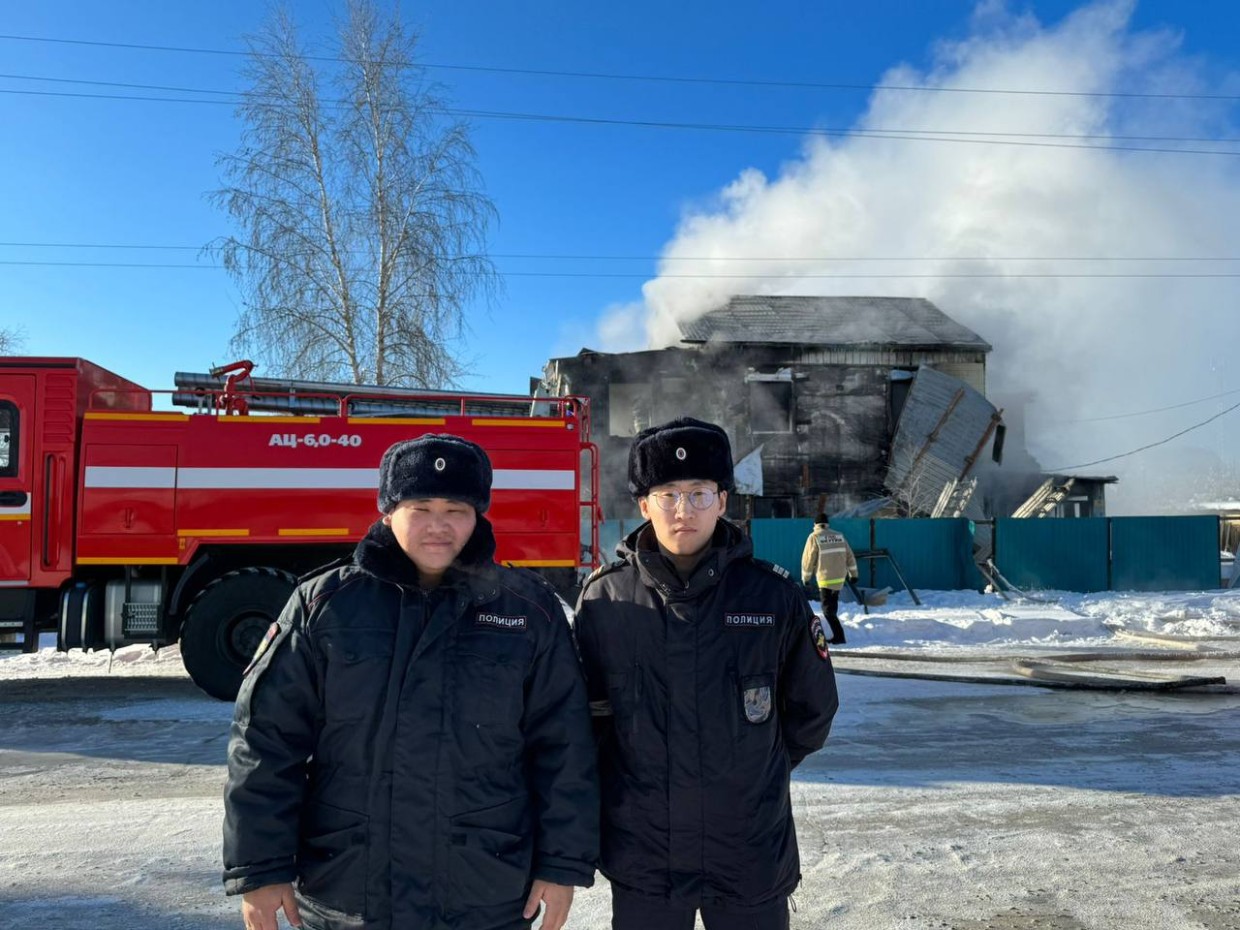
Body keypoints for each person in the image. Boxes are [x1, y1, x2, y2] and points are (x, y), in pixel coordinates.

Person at [222, 434, 599, 930]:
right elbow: (266, 741)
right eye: (419, 507)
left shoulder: (528, 610)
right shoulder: (325, 606)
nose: (438, 526)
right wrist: (261, 868)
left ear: (479, 516)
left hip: (485, 888)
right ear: (386, 513)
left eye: (456, 509)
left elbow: (564, 745)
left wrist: (561, 864)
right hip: (350, 890)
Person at [574, 417, 839, 930]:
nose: (683, 510)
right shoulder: (605, 600)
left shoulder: (772, 596)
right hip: (644, 856)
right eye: (668, 494)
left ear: (723, 501)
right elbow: (583, 719)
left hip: (748, 851)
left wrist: (752, 773)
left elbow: (812, 710)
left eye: (698, 493)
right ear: (643, 504)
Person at [800, 513, 858, 645]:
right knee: (831, 608)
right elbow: (850, 556)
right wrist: (854, 574)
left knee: (827, 610)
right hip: (839, 579)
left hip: (825, 579)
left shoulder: (814, 536)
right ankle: (838, 636)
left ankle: (839, 636)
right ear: (827, 524)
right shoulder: (838, 535)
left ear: (815, 524)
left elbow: (808, 559)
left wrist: (806, 577)